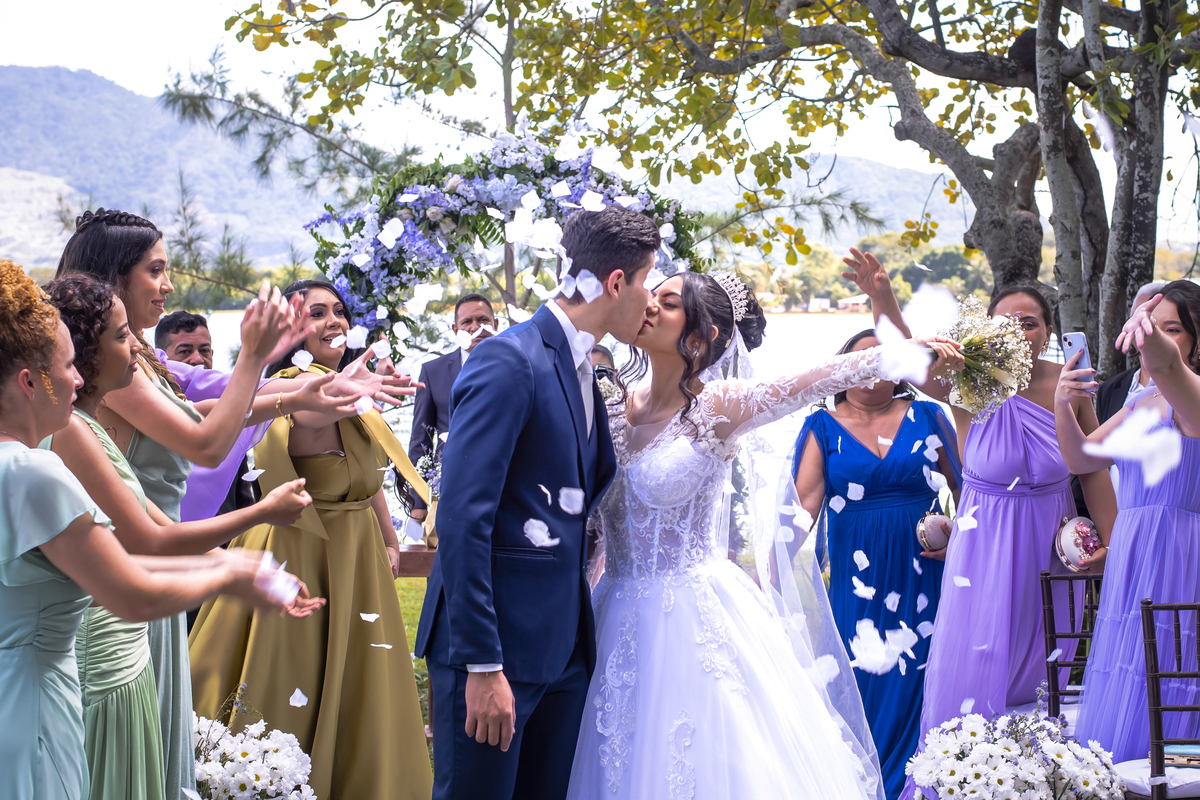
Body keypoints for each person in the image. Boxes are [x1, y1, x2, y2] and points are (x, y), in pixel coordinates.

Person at [568, 270, 961, 799]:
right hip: (610, 611)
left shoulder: (720, 407)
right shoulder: (609, 405)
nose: (649, 307)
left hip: (692, 618)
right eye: (650, 295)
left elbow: (814, 380)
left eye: (668, 302)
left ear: (703, 335)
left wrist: (904, 352)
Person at [0, 259, 306, 800]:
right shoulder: (33, 471)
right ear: (28, 382)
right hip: (34, 709)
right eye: (68, 367)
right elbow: (132, 592)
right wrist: (233, 569)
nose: (78, 379)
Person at [838, 252, 1119, 799]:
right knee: (975, 670)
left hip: (1053, 553)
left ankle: (1041, 785)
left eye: (1029, 322)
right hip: (984, 551)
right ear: (987, 330)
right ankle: (961, 784)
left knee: (1045, 677)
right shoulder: (968, 382)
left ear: (1049, 331)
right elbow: (903, 362)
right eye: (1004, 322)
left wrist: (1108, 548)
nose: (1017, 330)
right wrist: (882, 297)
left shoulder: (1071, 383)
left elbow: (1093, 473)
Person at [413, 206, 656, 800]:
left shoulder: (584, 370)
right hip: (496, 655)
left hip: (564, 652)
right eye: (648, 282)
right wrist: (480, 664)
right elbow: (464, 519)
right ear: (617, 282)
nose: (651, 303)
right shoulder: (508, 360)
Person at [189, 279, 433, 800]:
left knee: (359, 688)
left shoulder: (343, 387)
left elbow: (364, 479)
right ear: (293, 329)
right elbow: (311, 414)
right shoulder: (296, 386)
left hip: (355, 553)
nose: (334, 321)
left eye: (339, 310)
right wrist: (347, 394)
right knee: (293, 684)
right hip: (302, 551)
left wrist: (389, 538)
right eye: (317, 313)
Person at [791, 329, 961, 799]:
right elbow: (803, 506)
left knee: (924, 679)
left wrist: (961, 538)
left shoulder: (929, 414)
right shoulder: (821, 427)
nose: (871, 367)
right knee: (861, 680)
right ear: (841, 367)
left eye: (883, 357)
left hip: (927, 573)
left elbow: (970, 489)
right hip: (857, 585)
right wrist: (771, 569)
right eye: (861, 358)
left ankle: (920, 787)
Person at [1059, 280, 1200, 762]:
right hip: (1133, 550)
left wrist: (1148, 333)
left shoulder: (1193, 397)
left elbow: (1166, 364)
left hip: (1178, 552)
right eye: (1150, 327)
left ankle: (1171, 770)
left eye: (1174, 328)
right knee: (1127, 662)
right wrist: (1064, 400)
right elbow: (1082, 458)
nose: (1154, 338)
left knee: (1169, 667)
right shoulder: (1141, 402)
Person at [407, 292, 496, 525]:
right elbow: (421, 442)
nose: (475, 327)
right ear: (455, 329)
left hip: (506, 486)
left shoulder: (520, 366)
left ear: (495, 325)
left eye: (483, 320)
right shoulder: (432, 372)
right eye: (467, 322)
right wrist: (418, 503)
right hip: (449, 491)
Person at [1096, 280, 1167, 423]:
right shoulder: (1109, 389)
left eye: (1153, 321)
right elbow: (1093, 443)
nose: (1147, 328)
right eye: (1138, 319)